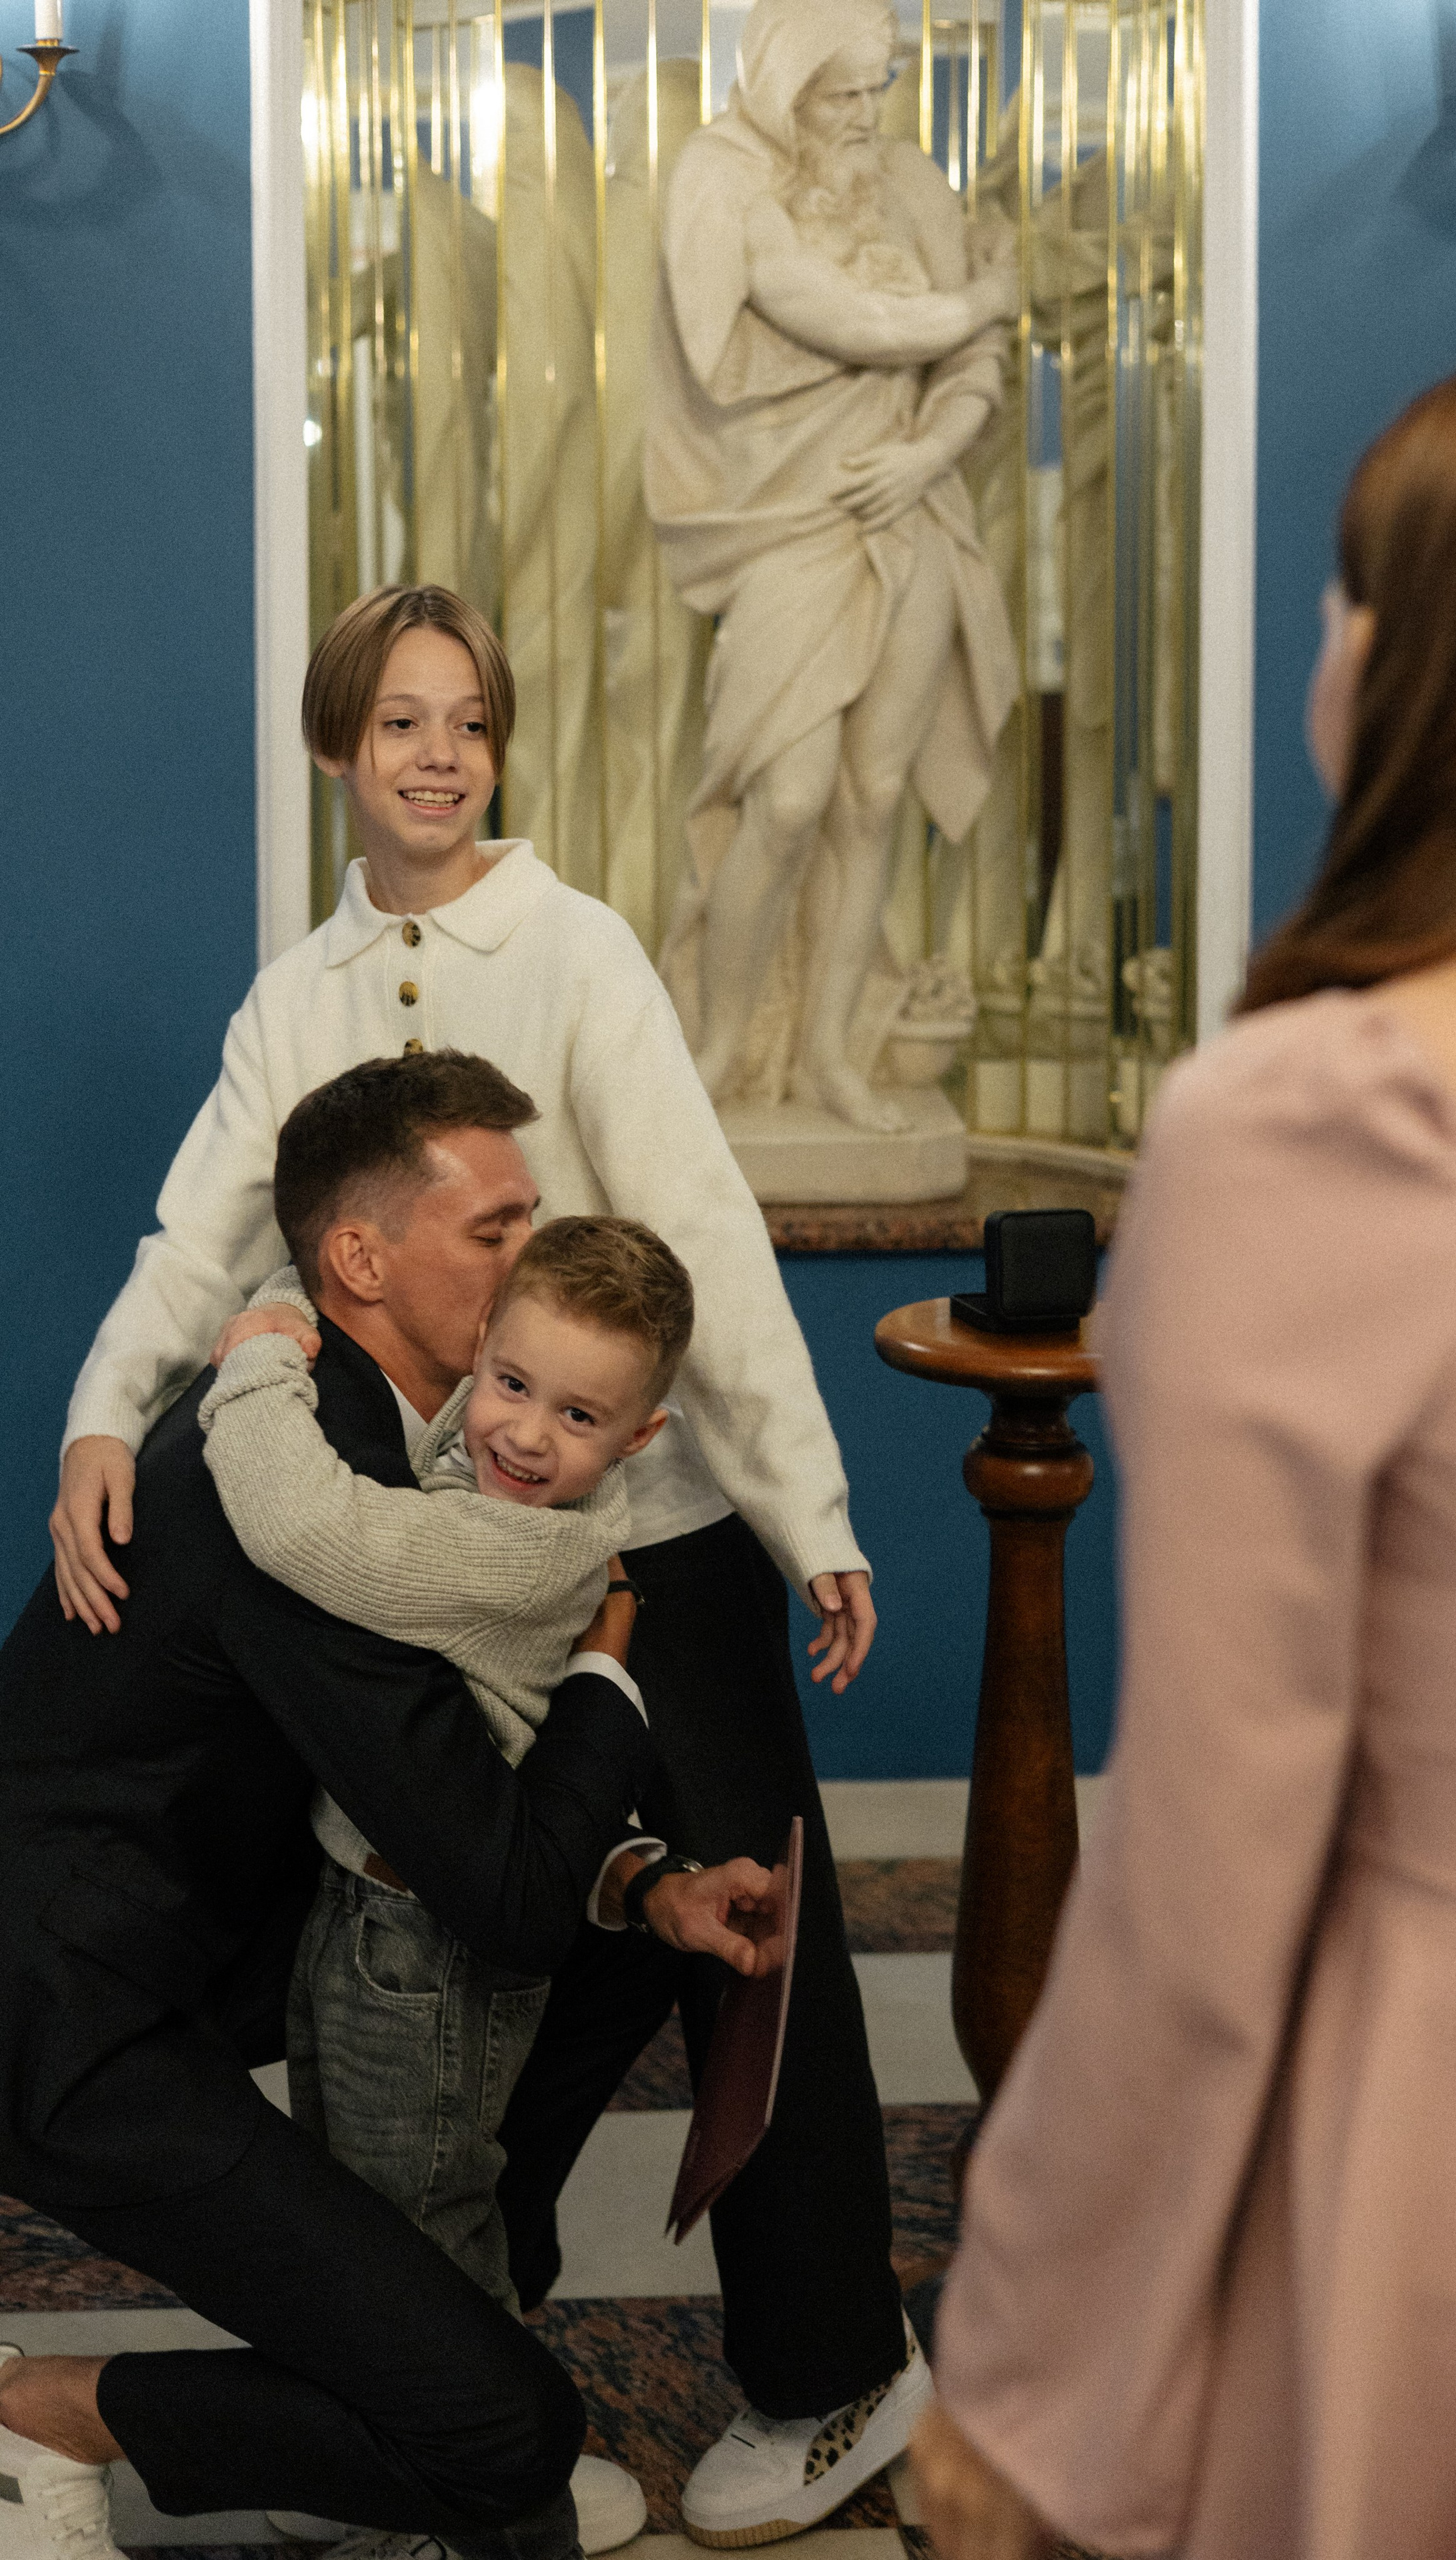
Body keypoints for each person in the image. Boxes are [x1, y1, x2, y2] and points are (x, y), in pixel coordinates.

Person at [912, 345, 1456, 2560]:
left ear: (1443, 663)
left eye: (1351, 599)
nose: (1324, 648)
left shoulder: (1318, 1134)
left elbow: (1205, 1879)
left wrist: (1032, 2368)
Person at [46, 581, 924, 2547]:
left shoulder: (584, 950)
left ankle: (840, 2367)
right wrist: (110, 1413)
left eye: (467, 722)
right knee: (514, 1934)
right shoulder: (301, 995)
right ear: (339, 751)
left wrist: (812, 1515)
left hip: (659, 1526)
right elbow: (199, 1238)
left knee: (759, 1949)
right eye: (398, 724)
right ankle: (473, 2350)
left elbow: (701, 1228)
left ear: (499, 747)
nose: (437, 756)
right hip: (455, 1548)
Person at [0, 1060, 787, 2560]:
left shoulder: (361, 1437)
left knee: (623, 1932)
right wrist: (611, 1668)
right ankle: (44, 2408)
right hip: (66, 2018)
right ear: (359, 1259)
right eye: (493, 1228)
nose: (527, 1256)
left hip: (187, 1936)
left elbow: (464, 1785)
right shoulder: (311, 1502)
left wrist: (645, 1885)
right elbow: (496, 1888)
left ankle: (421, 2330)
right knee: (503, 2441)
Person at [201, 1101, 703, 2325]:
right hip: (365, 1905)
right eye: (513, 1383)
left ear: (642, 1437)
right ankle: (371, 2473)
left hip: (428, 1955)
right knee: (351, 2209)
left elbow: (310, 1528)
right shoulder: (477, 1471)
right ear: (484, 1350)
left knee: (417, 2232)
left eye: (577, 1418)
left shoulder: (523, 1553)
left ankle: (473, 2479)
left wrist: (262, 1348)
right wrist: (300, 1275)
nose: (524, 1436)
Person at [647, 0, 1019, 1131]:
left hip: (908, 513)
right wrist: (975, 300)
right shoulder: (723, 179)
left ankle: (829, 1061)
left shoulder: (914, 189)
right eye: (840, 93)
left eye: (880, 88)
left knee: (872, 800)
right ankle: (718, 1044)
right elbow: (836, 313)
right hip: (784, 521)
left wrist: (927, 454)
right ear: (785, 91)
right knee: (789, 794)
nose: (865, 115)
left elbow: (976, 368)